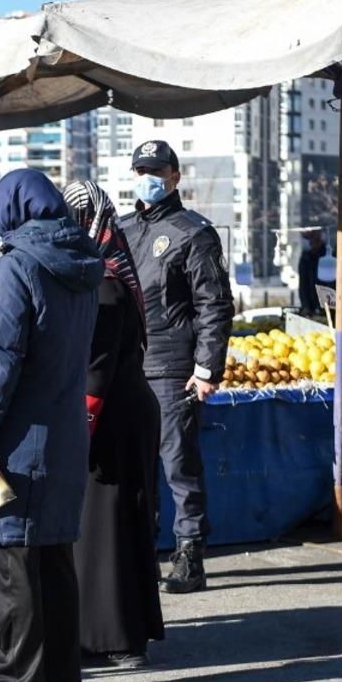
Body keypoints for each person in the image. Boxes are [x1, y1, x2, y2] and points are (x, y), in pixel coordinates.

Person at [0, 169, 103, 682]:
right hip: (65, 435)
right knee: (54, 561)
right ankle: (61, 678)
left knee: (9, 565)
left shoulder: (18, 266)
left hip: (18, 442)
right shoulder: (84, 264)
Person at [119, 140, 233, 595]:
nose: (148, 178)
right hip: (128, 366)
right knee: (134, 467)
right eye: (141, 170)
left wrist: (207, 368)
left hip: (171, 367)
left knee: (179, 465)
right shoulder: (123, 229)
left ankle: (189, 555)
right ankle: (138, 552)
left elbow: (215, 305)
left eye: (156, 170)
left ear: (174, 176)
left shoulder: (194, 233)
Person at [62, 180, 164, 669]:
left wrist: (79, 427)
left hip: (110, 418)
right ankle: (117, 632)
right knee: (118, 525)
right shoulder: (108, 271)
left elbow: (96, 370)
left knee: (107, 529)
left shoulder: (102, 284)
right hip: (125, 412)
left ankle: (115, 639)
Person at [298, 229, 330, 316]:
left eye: (308, 237)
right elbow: (303, 285)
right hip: (311, 309)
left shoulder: (327, 256)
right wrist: (306, 306)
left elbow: (328, 285)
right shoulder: (305, 257)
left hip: (326, 308)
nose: (306, 241)